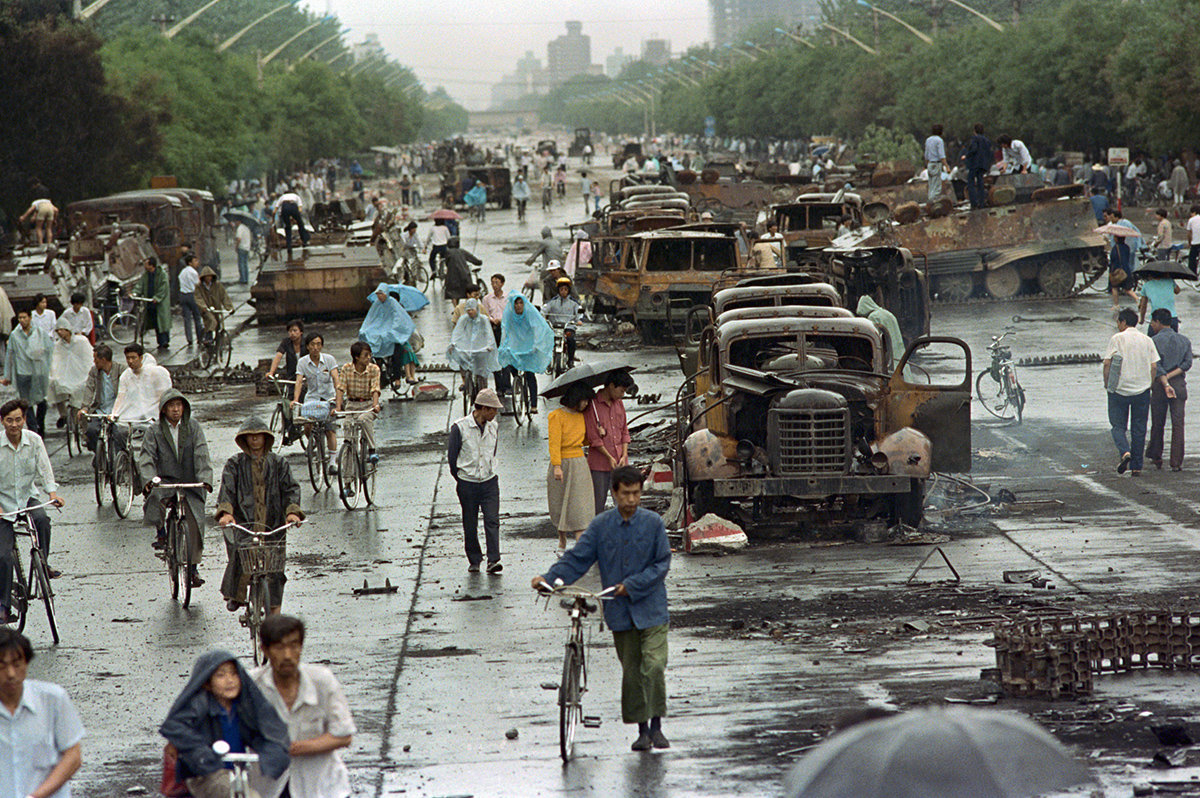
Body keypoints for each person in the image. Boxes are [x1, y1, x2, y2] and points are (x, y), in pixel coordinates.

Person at [531, 466, 671, 752]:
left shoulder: (654, 524)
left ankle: (657, 726)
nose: (632, 499)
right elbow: (577, 559)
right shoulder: (601, 526)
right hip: (619, 612)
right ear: (614, 493)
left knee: (653, 665)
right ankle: (642, 730)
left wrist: (632, 585)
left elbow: (662, 564)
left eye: (636, 493)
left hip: (652, 609)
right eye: (626, 494)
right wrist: (548, 579)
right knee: (632, 670)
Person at [160, 650, 290, 798]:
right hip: (205, 774)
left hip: (236, 771)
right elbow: (177, 727)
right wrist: (200, 752)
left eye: (234, 674)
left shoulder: (241, 708)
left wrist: (273, 752)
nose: (229, 680)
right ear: (207, 682)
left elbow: (259, 732)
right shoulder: (200, 704)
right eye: (221, 675)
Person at [250, 616, 356, 798]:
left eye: (293, 646)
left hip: (323, 788)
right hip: (269, 788)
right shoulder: (252, 684)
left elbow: (343, 736)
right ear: (265, 650)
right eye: (279, 647)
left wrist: (292, 748)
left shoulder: (322, 681)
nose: (287, 655)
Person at [215, 418, 304, 612]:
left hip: (273, 523)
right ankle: (236, 595)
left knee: (276, 569)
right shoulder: (234, 464)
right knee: (242, 552)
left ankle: (274, 612)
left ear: (266, 438)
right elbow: (227, 490)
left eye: (259, 436)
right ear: (244, 439)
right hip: (244, 522)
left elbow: (291, 489)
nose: (255, 439)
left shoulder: (279, 463)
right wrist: (226, 513)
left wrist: (292, 513)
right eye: (250, 436)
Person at [139, 390, 211, 588]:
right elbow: (147, 457)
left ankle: (193, 570)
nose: (176, 409)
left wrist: (204, 479)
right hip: (164, 480)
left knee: (195, 520)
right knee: (154, 497)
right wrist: (148, 480)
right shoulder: (154, 430)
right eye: (171, 405)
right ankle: (161, 533)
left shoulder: (193, 427)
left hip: (189, 481)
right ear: (163, 409)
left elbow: (201, 452)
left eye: (179, 405)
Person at [0, 398, 63, 621]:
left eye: (18, 419)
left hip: (27, 497)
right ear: (2, 422)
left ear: (25, 419)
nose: (14, 424)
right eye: (9, 420)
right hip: (3, 504)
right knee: (3, 555)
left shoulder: (34, 440)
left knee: (43, 520)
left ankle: (42, 564)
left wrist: (53, 495)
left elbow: (45, 469)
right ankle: (3, 606)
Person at [0, 628, 84, 796]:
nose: (11, 674)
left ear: (27, 663)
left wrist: (36, 796)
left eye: (17, 665)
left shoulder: (53, 699)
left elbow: (73, 756)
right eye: (2, 667)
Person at [447, 388, 503, 574]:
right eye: (493, 409)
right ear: (484, 408)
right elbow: (452, 458)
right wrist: (462, 478)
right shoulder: (460, 427)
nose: (496, 413)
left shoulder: (493, 427)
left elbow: (492, 451)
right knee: (470, 523)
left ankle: (493, 560)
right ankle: (474, 559)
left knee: (492, 520)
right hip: (467, 483)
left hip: (489, 481)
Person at [1104, 308, 1159, 476]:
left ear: (1123, 322)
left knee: (1118, 426)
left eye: (1118, 323)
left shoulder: (1117, 338)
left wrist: (1107, 384)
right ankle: (1136, 466)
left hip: (1119, 390)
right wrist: (1149, 384)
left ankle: (1124, 451)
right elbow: (1154, 366)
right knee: (1139, 428)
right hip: (1141, 391)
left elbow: (1107, 363)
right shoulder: (1147, 340)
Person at [547, 382, 595, 552]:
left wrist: (597, 434)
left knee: (580, 505)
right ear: (577, 399)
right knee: (561, 503)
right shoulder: (556, 416)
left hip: (580, 463)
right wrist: (557, 466)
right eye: (585, 400)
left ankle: (580, 547)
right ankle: (561, 538)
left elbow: (583, 441)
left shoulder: (582, 416)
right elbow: (554, 443)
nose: (587, 404)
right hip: (563, 463)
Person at [1146, 307, 1191, 472]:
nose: (1151, 325)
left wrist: (1165, 382)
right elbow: (1187, 364)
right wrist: (1172, 376)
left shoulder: (1153, 341)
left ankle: (1157, 456)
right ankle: (1176, 461)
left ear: (1158, 322)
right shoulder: (1184, 340)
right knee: (1178, 424)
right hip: (1179, 384)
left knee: (1158, 422)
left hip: (1159, 385)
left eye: (1152, 321)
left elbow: (1156, 366)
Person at [585, 370, 633, 515]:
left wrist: (623, 455)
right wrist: (609, 457)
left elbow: (624, 431)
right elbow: (594, 438)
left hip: (620, 462)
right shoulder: (592, 405)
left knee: (624, 503)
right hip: (599, 464)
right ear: (611, 386)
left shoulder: (619, 404)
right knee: (597, 505)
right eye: (621, 390)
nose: (622, 395)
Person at [293, 332, 338, 475]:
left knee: (330, 429)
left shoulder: (329, 360)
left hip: (328, 399)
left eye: (318, 344)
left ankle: (332, 462)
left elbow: (336, 379)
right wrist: (295, 399)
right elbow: (299, 382)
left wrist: (338, 399)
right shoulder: (303, 362)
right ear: (307, 346)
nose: (315, 347)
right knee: (307, 426)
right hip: (312, 399)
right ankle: (313, 442)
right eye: (312, 344)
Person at [2, 308, 52, 435]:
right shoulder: (15, 335)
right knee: (26, 403)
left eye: (24, 317)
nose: (22, 320)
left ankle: (41, 423)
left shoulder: (40, 333)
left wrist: (50, 369)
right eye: (20, 318)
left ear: (30, 318)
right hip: (23, 373)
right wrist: (8, 376)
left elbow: (49, 351)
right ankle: (33, 429)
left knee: (42, 400)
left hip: (38, 371)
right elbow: (10, 356)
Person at [498, 294, 553, 410]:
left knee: (530, 375)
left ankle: (533, 404)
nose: (518, 306)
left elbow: (538, 330)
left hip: (529, 347)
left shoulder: (530, 315)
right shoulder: (509, 315)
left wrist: (536, 346)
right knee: (511, 366)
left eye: (521, 303)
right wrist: (504, 346)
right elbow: (505, 331)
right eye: (516, 303)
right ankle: (517, 382)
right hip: (516, 346)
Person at [359, 285, 420, 389]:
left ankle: (397, 379)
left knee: (396, 354)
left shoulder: (393, 304)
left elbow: (398, 320)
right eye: (377, 294)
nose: (379, 297)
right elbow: (371, 319)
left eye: (381, 294)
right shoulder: (376, 304)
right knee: (370, 349)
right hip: (380, 333)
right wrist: (364, 330)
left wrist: (391, 331)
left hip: (392, 334)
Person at [334, 341, 381, 468]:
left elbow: (375, 389)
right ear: (356, 357)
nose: (368, 358)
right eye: (365, 355)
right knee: (348, 436)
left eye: (369, 355)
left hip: (368, 405)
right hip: (352, 406)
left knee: (363, 419)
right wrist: (338, 407)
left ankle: (372, 450)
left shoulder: (374, 369)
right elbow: (340, 388)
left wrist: (375, 405)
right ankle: (348, 480)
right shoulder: (346, 368)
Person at [447, 299, 500, 401]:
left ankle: (483, 395)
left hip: (481, 348)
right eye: (468, 310)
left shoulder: (483, 319)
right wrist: (453, 344)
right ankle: (466, 382)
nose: (470, 312)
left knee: (481, 373)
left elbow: (489, 334)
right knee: (463, 361)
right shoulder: (463, 319)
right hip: (467, 347)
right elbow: (457, 332)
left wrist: (489, 345)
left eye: (472, 310)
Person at [78, 344, 126, 453]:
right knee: (91, 430)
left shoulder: (121, 370)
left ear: (103, 360)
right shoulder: (95, 371)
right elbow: (89, 389)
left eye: (95, 359)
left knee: (119, 434)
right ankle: (99, 455)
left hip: (117, 411)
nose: (94, 362)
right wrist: (85, 407)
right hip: (101, 410)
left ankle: (120, 460)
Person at [111, 343, 173, 427]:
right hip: (133, 417)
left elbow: (164, 396)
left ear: (141, 358)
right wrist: (114, 413)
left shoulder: (156, 372)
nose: (130, 361)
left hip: (153, 417)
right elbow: (121, 397)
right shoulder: (125, 376)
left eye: (133, 358)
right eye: (128, 358)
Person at [48, 319, 91, 430]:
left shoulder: (82, 341)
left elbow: (88, 358)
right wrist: (54, 375)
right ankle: (63, 414)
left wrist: (88, 371)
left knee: (81, 390)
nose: (60, 333)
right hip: (66, 374)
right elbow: (55, 361)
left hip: (80, 373)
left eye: (62, 330)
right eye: (58, 330)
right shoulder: (58, 345)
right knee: (53, 385)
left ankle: (81, 421)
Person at [542, 277, 581, 368]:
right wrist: (542, 316)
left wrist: (579, 320)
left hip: (568, 327)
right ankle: (547, 360)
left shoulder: (574, 303)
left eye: (565, 289)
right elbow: (544, 309)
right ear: (558, 290)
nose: (563, 291)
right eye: (561, 289)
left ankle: (570, 360)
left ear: (569, 290)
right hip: (554, 328)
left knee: (571, 339)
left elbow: (580, 311)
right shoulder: (553, 301)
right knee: (546, 340)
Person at [483, 274, 511, 395]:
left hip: (505, 329)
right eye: (492, 282)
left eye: (497, 282)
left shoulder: (508, 298)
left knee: (505, 356)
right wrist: (492, 319)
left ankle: (507, 385)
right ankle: (499, 387)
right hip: (493, 328)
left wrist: (501, 319)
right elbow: (484, 313)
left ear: (502, 283)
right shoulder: (487, 299)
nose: (494, 285)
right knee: (495, 357)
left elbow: (510, 313)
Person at [135, 256, 172, 350]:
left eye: (146, 264)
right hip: (150, 302)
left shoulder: (162, 274)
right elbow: (140, 284)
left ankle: (164, 341)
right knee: (155, 322)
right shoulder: (146, 275)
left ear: (151, 265)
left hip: (160, 303)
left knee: (162, 323)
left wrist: (157, 297)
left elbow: (164, 287)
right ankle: (160, 341)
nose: (144, 266)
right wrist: (135, 292)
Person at [442, 236, 482, 309]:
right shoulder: (462, 251)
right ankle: (469, 307)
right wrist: (479, 262)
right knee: (467, 291)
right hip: (464, 274)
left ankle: (456, 308)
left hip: (452, 275)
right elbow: (473, 259)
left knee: (453, 292)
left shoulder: (448, 252)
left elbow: (447, 263)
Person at [196, 266, 233, 343]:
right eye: (207, 276)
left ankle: (217, 341)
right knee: (211, 320)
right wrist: (203, 307)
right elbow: (198, 298)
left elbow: (224, 296)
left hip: (216, 307)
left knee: (218, 324)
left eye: (210, 276)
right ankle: (208, 337)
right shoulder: (199, 286)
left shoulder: (217, 285)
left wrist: (229, 308)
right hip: (206, 309)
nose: (209, 278)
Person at [962, 123, 993, 210]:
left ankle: (974, 203)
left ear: (975, 131)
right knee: (980, 183)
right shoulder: (987, 140)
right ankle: (982, 202)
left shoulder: (975, 138)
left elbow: (974, 149)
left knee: (971, 183)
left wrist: (967, 155)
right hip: (983, 165)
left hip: (974, 164)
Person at [178, 254, 203, 347]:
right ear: (190, 263)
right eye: (195, 261)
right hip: (192, 295)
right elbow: (198, 284)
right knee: (197, 317)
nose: (197, 263)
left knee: (187, 318)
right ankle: (200, 337)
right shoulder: (194, 273)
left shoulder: (182, 272)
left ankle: (189, 338)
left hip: (183, 295)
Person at [924, 124, 949, 203]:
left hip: (930, 164)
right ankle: (933, 203)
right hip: (936, 163)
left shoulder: (928, 140)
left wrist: (928, 164)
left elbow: (926, 154)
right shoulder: (939, 140)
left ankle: (930, 201)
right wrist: (947, 166)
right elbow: (941, 155)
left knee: (931, 185)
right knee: (936, 187)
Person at [1188, 205, 1200, 276]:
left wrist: (1189, 242)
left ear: (1194, 212)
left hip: (1195, 243)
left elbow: (1189, 233)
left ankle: (1192, 275)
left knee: (1192, 259)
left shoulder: (1191, 220)